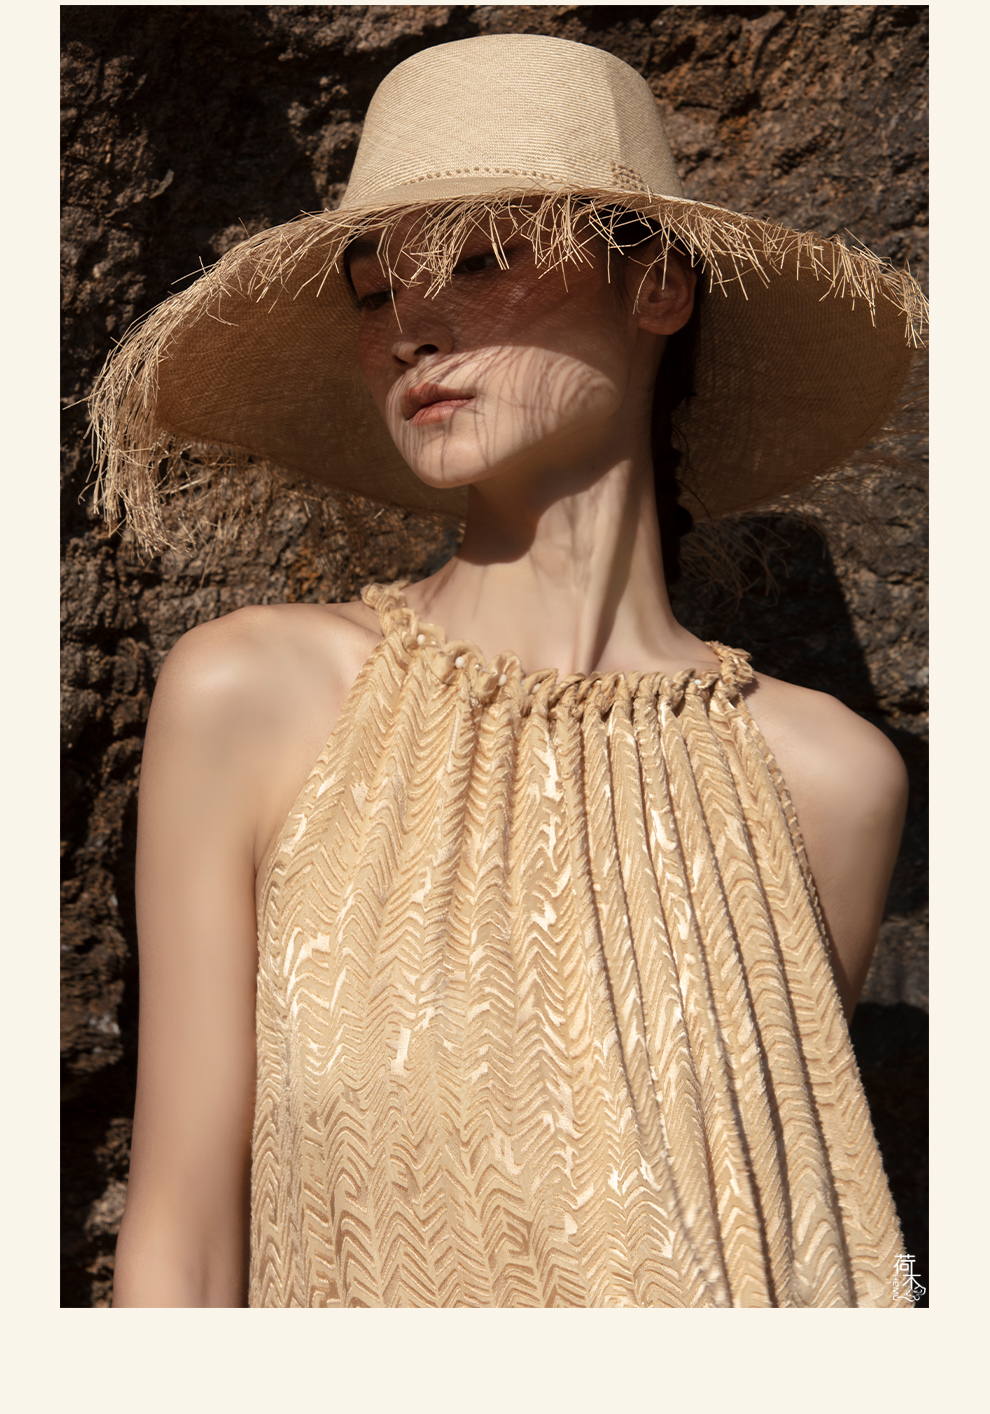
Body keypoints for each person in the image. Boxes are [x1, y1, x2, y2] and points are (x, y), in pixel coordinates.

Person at [93, 33, 926, 1307]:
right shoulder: (258, 697)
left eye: (481, 261)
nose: (410, 329)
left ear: (658, 289)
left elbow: (779, 1233)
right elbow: (181, 1244)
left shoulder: (829, 781)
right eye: (374, 293)